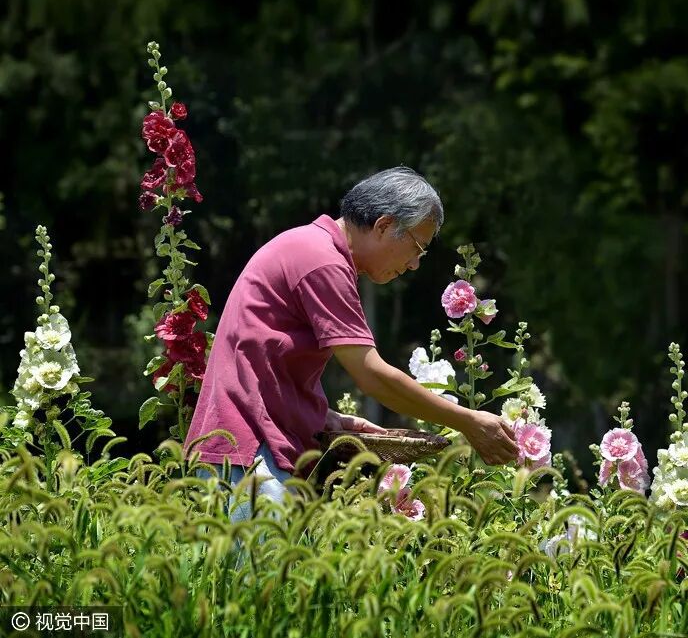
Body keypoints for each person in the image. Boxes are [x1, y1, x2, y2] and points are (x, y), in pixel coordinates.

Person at [186, 166, 517, 520]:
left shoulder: (313, 249)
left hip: (249, 446)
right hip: (249, 451)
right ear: (384, 225)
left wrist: (324, 417)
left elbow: (259, 360)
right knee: (255, 574)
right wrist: (467, 421)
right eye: (418, 247)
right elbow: (370, 374)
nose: (415, 264)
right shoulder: (321, 261)